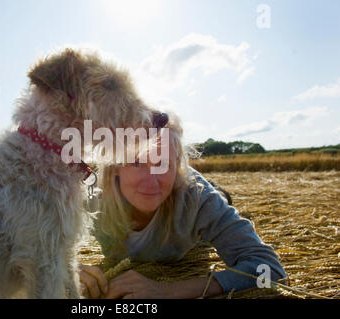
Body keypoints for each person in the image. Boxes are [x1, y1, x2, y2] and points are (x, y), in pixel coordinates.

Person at [79, 115, 287, 299]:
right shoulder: (91, 198)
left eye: (163, 163)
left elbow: (270, 270)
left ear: (178, 166)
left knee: (220, 199)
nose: (150, 182)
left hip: (198, 198)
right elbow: (46, 252)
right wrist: (67, 270)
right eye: (136, 162)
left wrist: (166, 291)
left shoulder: (199, 199)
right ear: (115, 166)